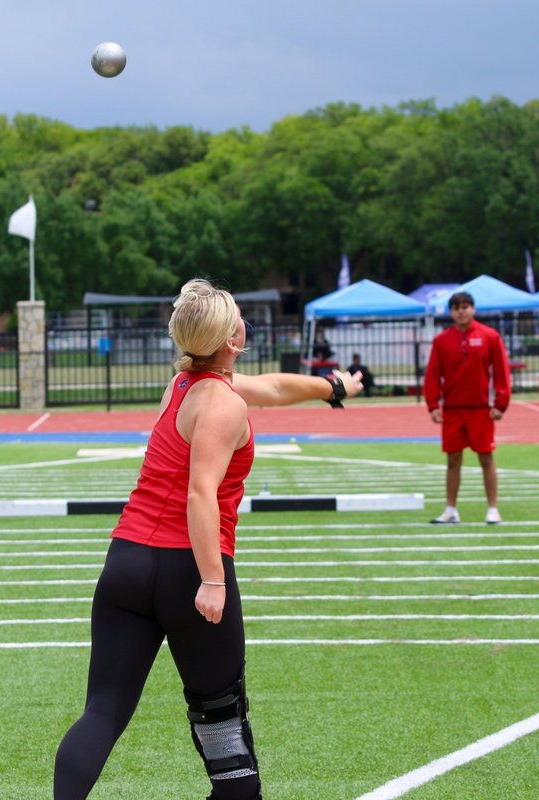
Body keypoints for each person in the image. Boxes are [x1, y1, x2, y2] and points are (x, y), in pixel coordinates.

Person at [54, 278, 361, 800]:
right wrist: (213, 580)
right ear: (231, 340)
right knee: (222, 722)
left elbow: (275, 388)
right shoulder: (224, 404)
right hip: (189, 570)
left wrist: (333, 387)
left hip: (126, 561)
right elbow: (201, 494)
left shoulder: (184, 386)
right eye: (240, 316)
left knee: (102, 712)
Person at [423, 291, 511, 525]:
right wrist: (433, 405)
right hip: (452, 410)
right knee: (453, 461)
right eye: (456, 307)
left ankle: (493, 509)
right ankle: (451, 509)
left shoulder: (490, 337)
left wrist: (501, 403)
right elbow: (433, 374)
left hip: (481, 409)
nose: (461, 311)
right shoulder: (441, 341)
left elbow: (501, 372)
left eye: (465, 306)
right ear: (451, 312)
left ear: (473, 309)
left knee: (486, 458)